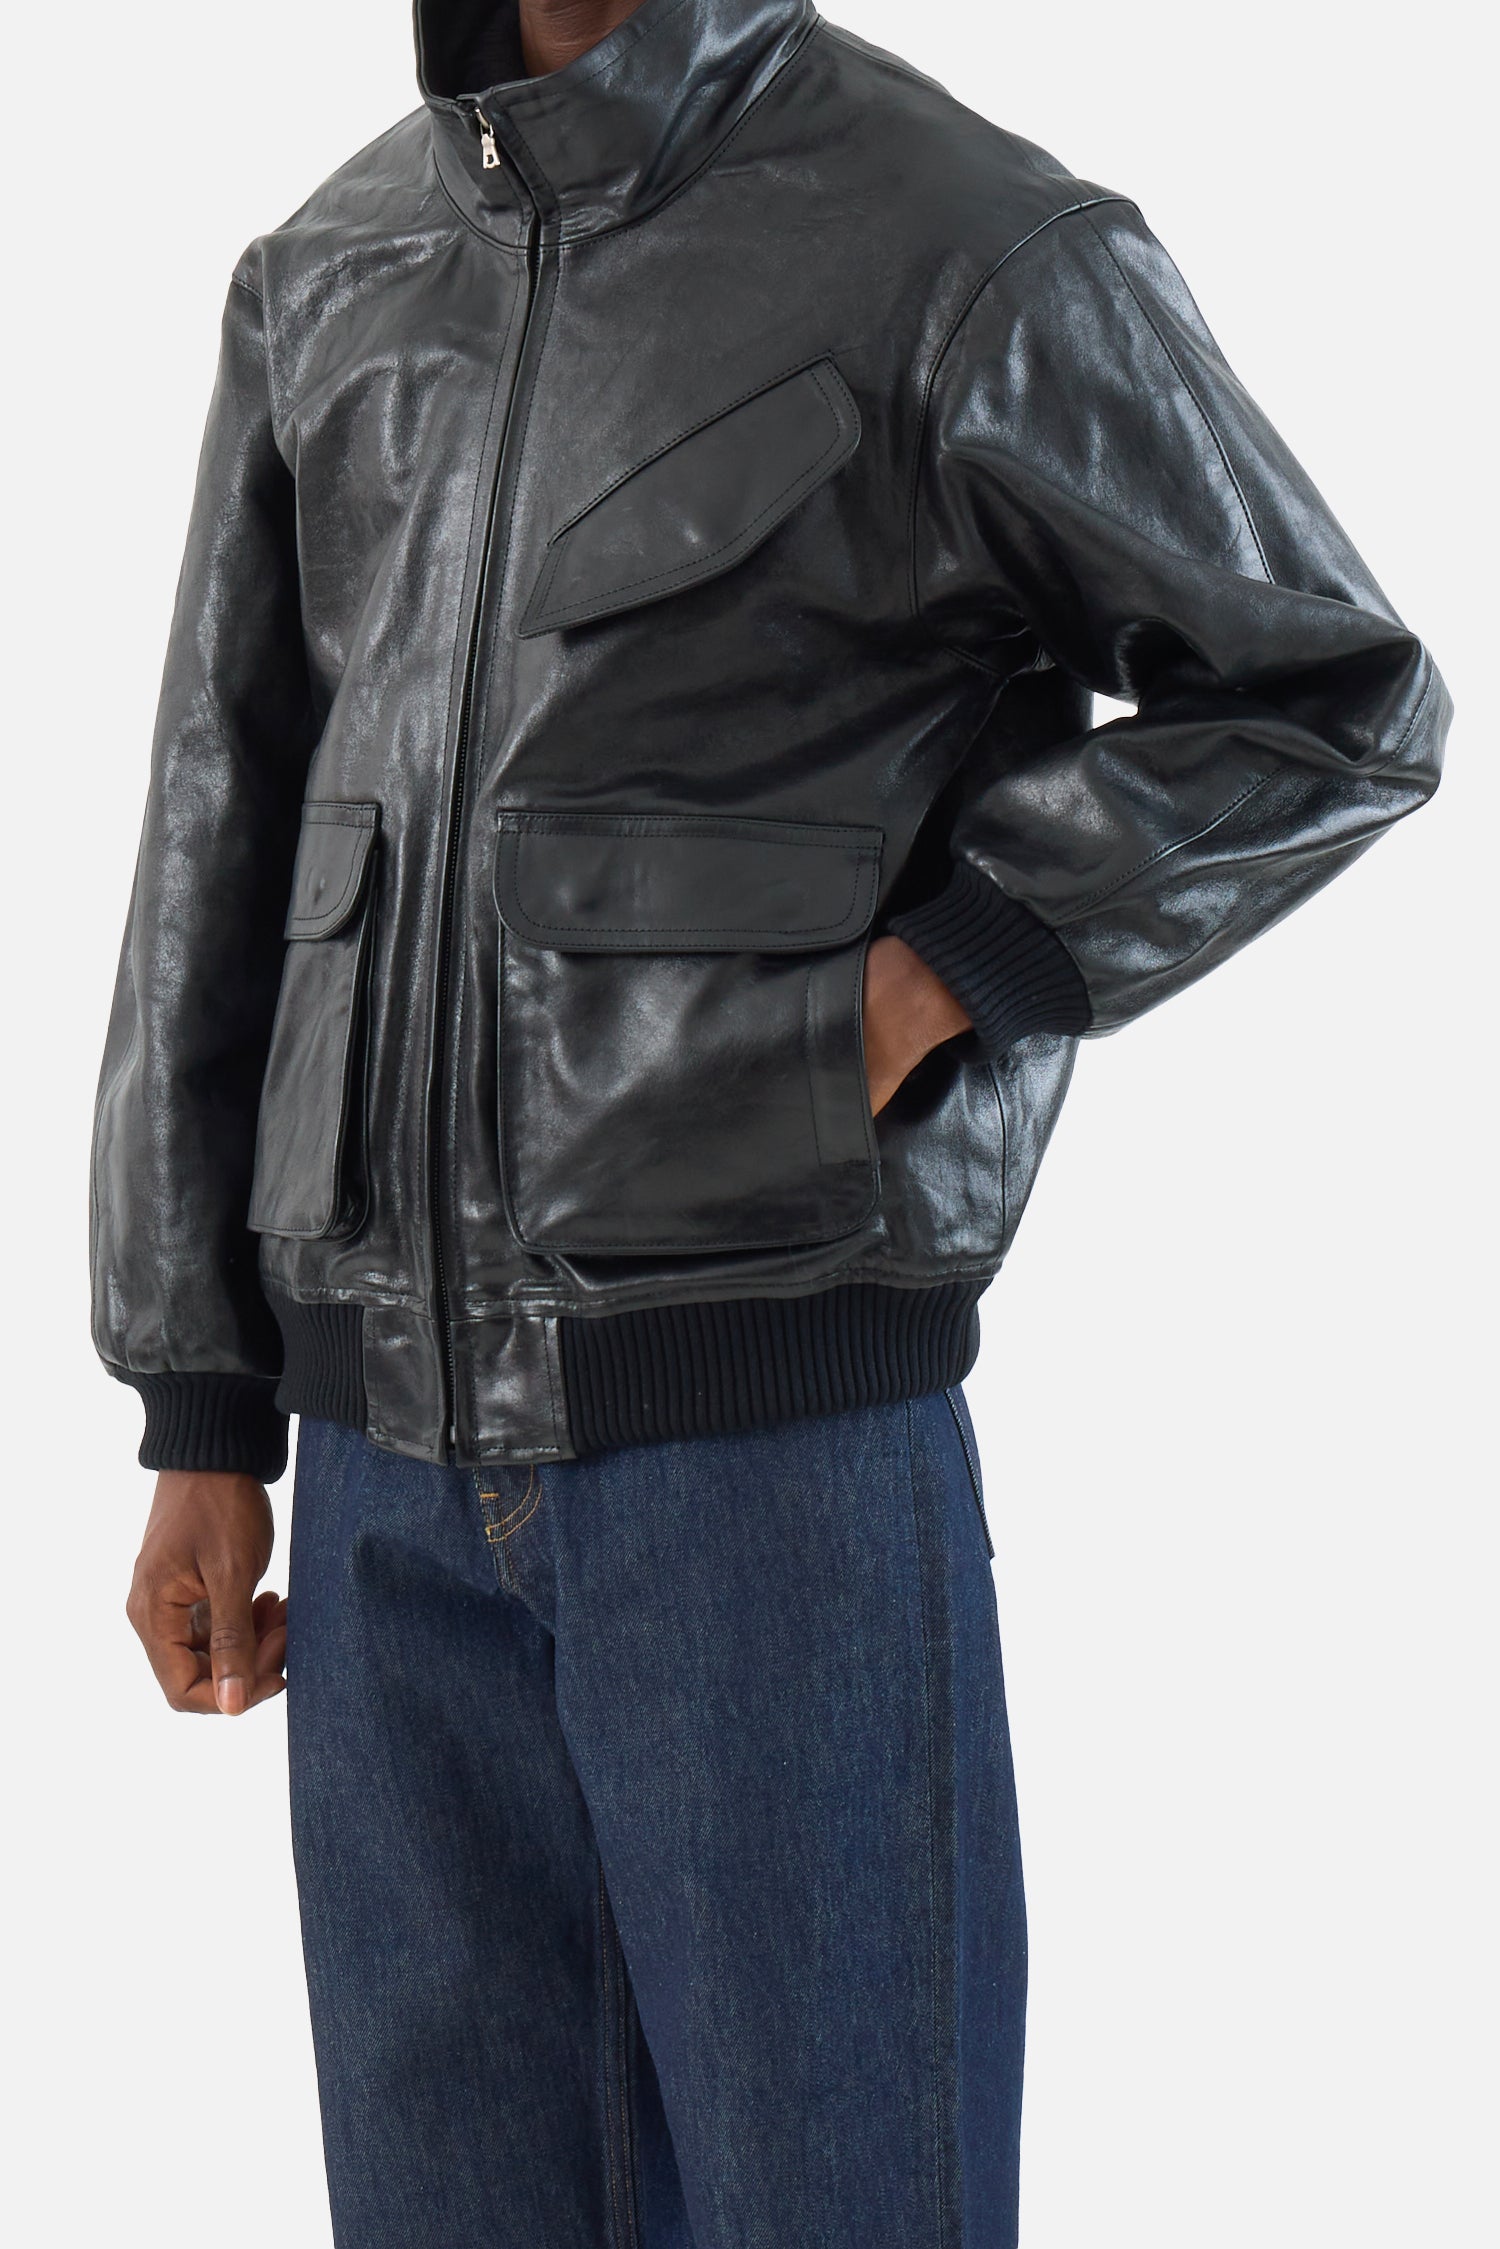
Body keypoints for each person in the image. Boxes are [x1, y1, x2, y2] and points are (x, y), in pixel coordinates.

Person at [92, 0, 1449, 2240]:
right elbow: (215, 840)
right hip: (378, 1486)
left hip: (770, 1463)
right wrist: (200, 1411)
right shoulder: (326, 274)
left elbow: (1333, 696)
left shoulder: (960, 242)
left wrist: (937, 974)